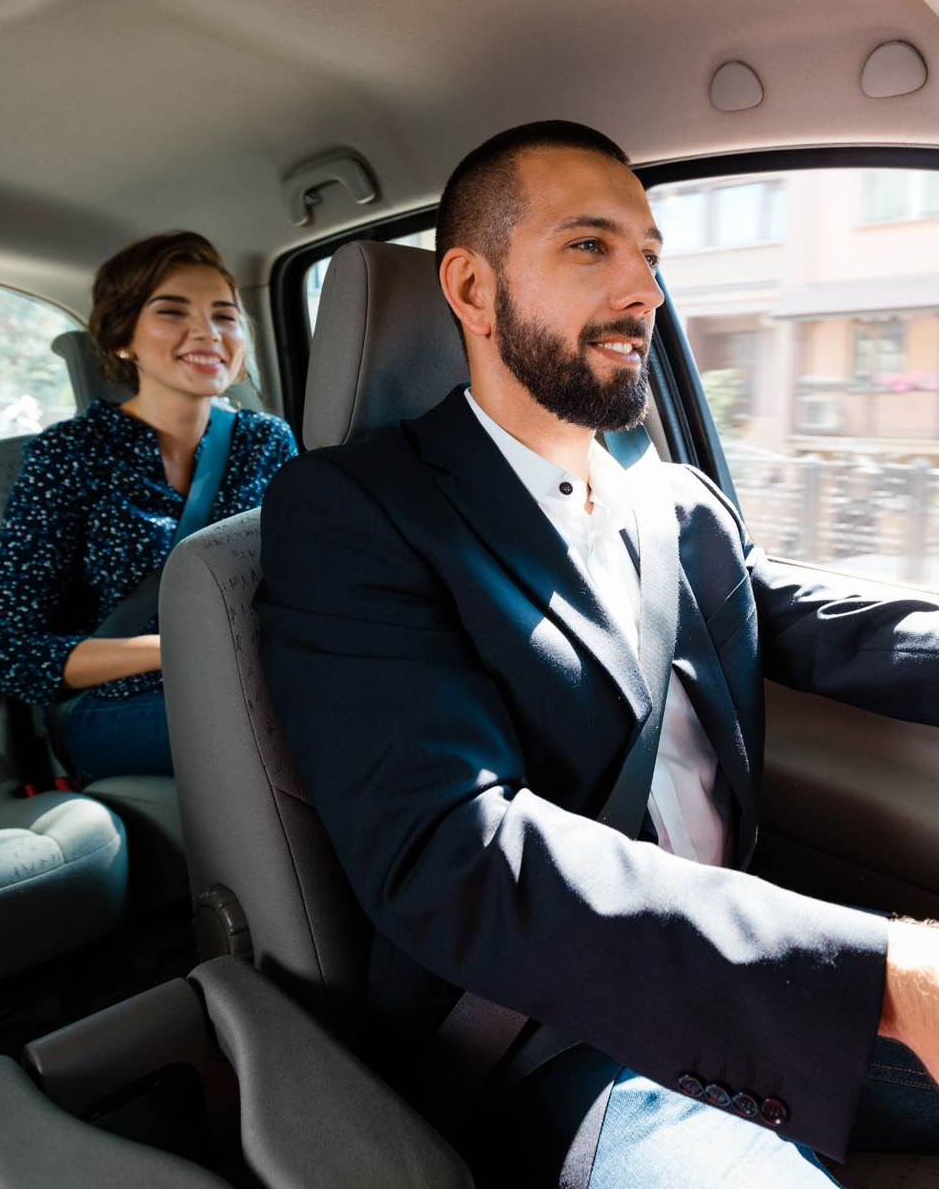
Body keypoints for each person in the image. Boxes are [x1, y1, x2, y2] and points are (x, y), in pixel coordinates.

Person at [256, 122, 939, 1187]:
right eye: (589, 246)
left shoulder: (672, 498)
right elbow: (457, 854)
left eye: (650, 256)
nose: (644, 291)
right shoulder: (354, 513)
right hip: (558, 1039)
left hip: (742, 974)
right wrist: (879, 971)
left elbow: (808, 619)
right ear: (473, 289)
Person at [0, 231, 297, 781]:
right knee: (299, 727)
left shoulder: (266, 442)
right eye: (172, 311)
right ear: (123, 337)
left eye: (224, 315)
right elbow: (5, 647)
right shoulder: (69, 454)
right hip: (117, 704)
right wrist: (173, 648)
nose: (208, 331)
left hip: (259, 679)